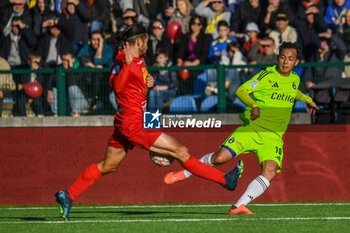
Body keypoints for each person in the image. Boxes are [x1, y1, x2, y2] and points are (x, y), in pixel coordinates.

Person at [54, 24, 243, 221]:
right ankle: (226, 180)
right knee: (181, 151)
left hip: (130, 121)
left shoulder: (138, 59)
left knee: (109, 165)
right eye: (146, 41)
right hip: (132, 123)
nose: (148, 44)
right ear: (138, 42)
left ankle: (68, 195)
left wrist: (147, 80)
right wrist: (127, 66)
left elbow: (135, 86)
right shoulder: (123, 60)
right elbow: (117, 89)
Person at [164, 41, 319, 215]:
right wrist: (254, 104)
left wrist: (307, 99)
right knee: (220, 158)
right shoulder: (266, 76)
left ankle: (239, 206)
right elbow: (241, 91)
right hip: (252, 130)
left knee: (270, 170)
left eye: (290, 59)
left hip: (273, 137)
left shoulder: (295, 79)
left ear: (296, 62)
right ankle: (186, 172)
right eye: (282, 57)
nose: (285, 62)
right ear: (278, 57)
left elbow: (293, 91)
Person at [77, 30, 113, 113]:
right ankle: (90, 101)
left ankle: (97, 101)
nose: (95, 42)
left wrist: (100, 48)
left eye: (98, 40)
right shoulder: (87, 48)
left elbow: (97, 61)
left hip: (106, 83)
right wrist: (91, 65)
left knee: (98, 74)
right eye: (93, 39)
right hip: (88, 81)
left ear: (102, 40)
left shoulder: (108, 49)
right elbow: (79, 59)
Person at [176, 15, 212, 94]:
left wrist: (192, 64)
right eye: (193, 23)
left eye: (198, 24)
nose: (195, 26)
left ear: (201, 26)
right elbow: (180, 53)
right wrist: (179, 62)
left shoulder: (206, 38)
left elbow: (204, 55)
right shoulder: (185, 37)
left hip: (199, 65)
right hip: (186, 64)